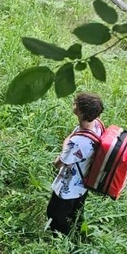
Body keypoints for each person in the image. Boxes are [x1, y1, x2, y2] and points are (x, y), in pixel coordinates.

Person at [47, 92, 105, 236]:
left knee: (55, 214)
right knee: (76, 212)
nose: (73, 104)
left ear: (81, 112)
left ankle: (62, 240)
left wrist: (66, 146)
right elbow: (72, 137)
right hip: (83, 183)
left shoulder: (79, 142)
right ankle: (79, 234)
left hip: (68, 187)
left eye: (75, 103)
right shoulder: (96, 124)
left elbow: (58, 163)